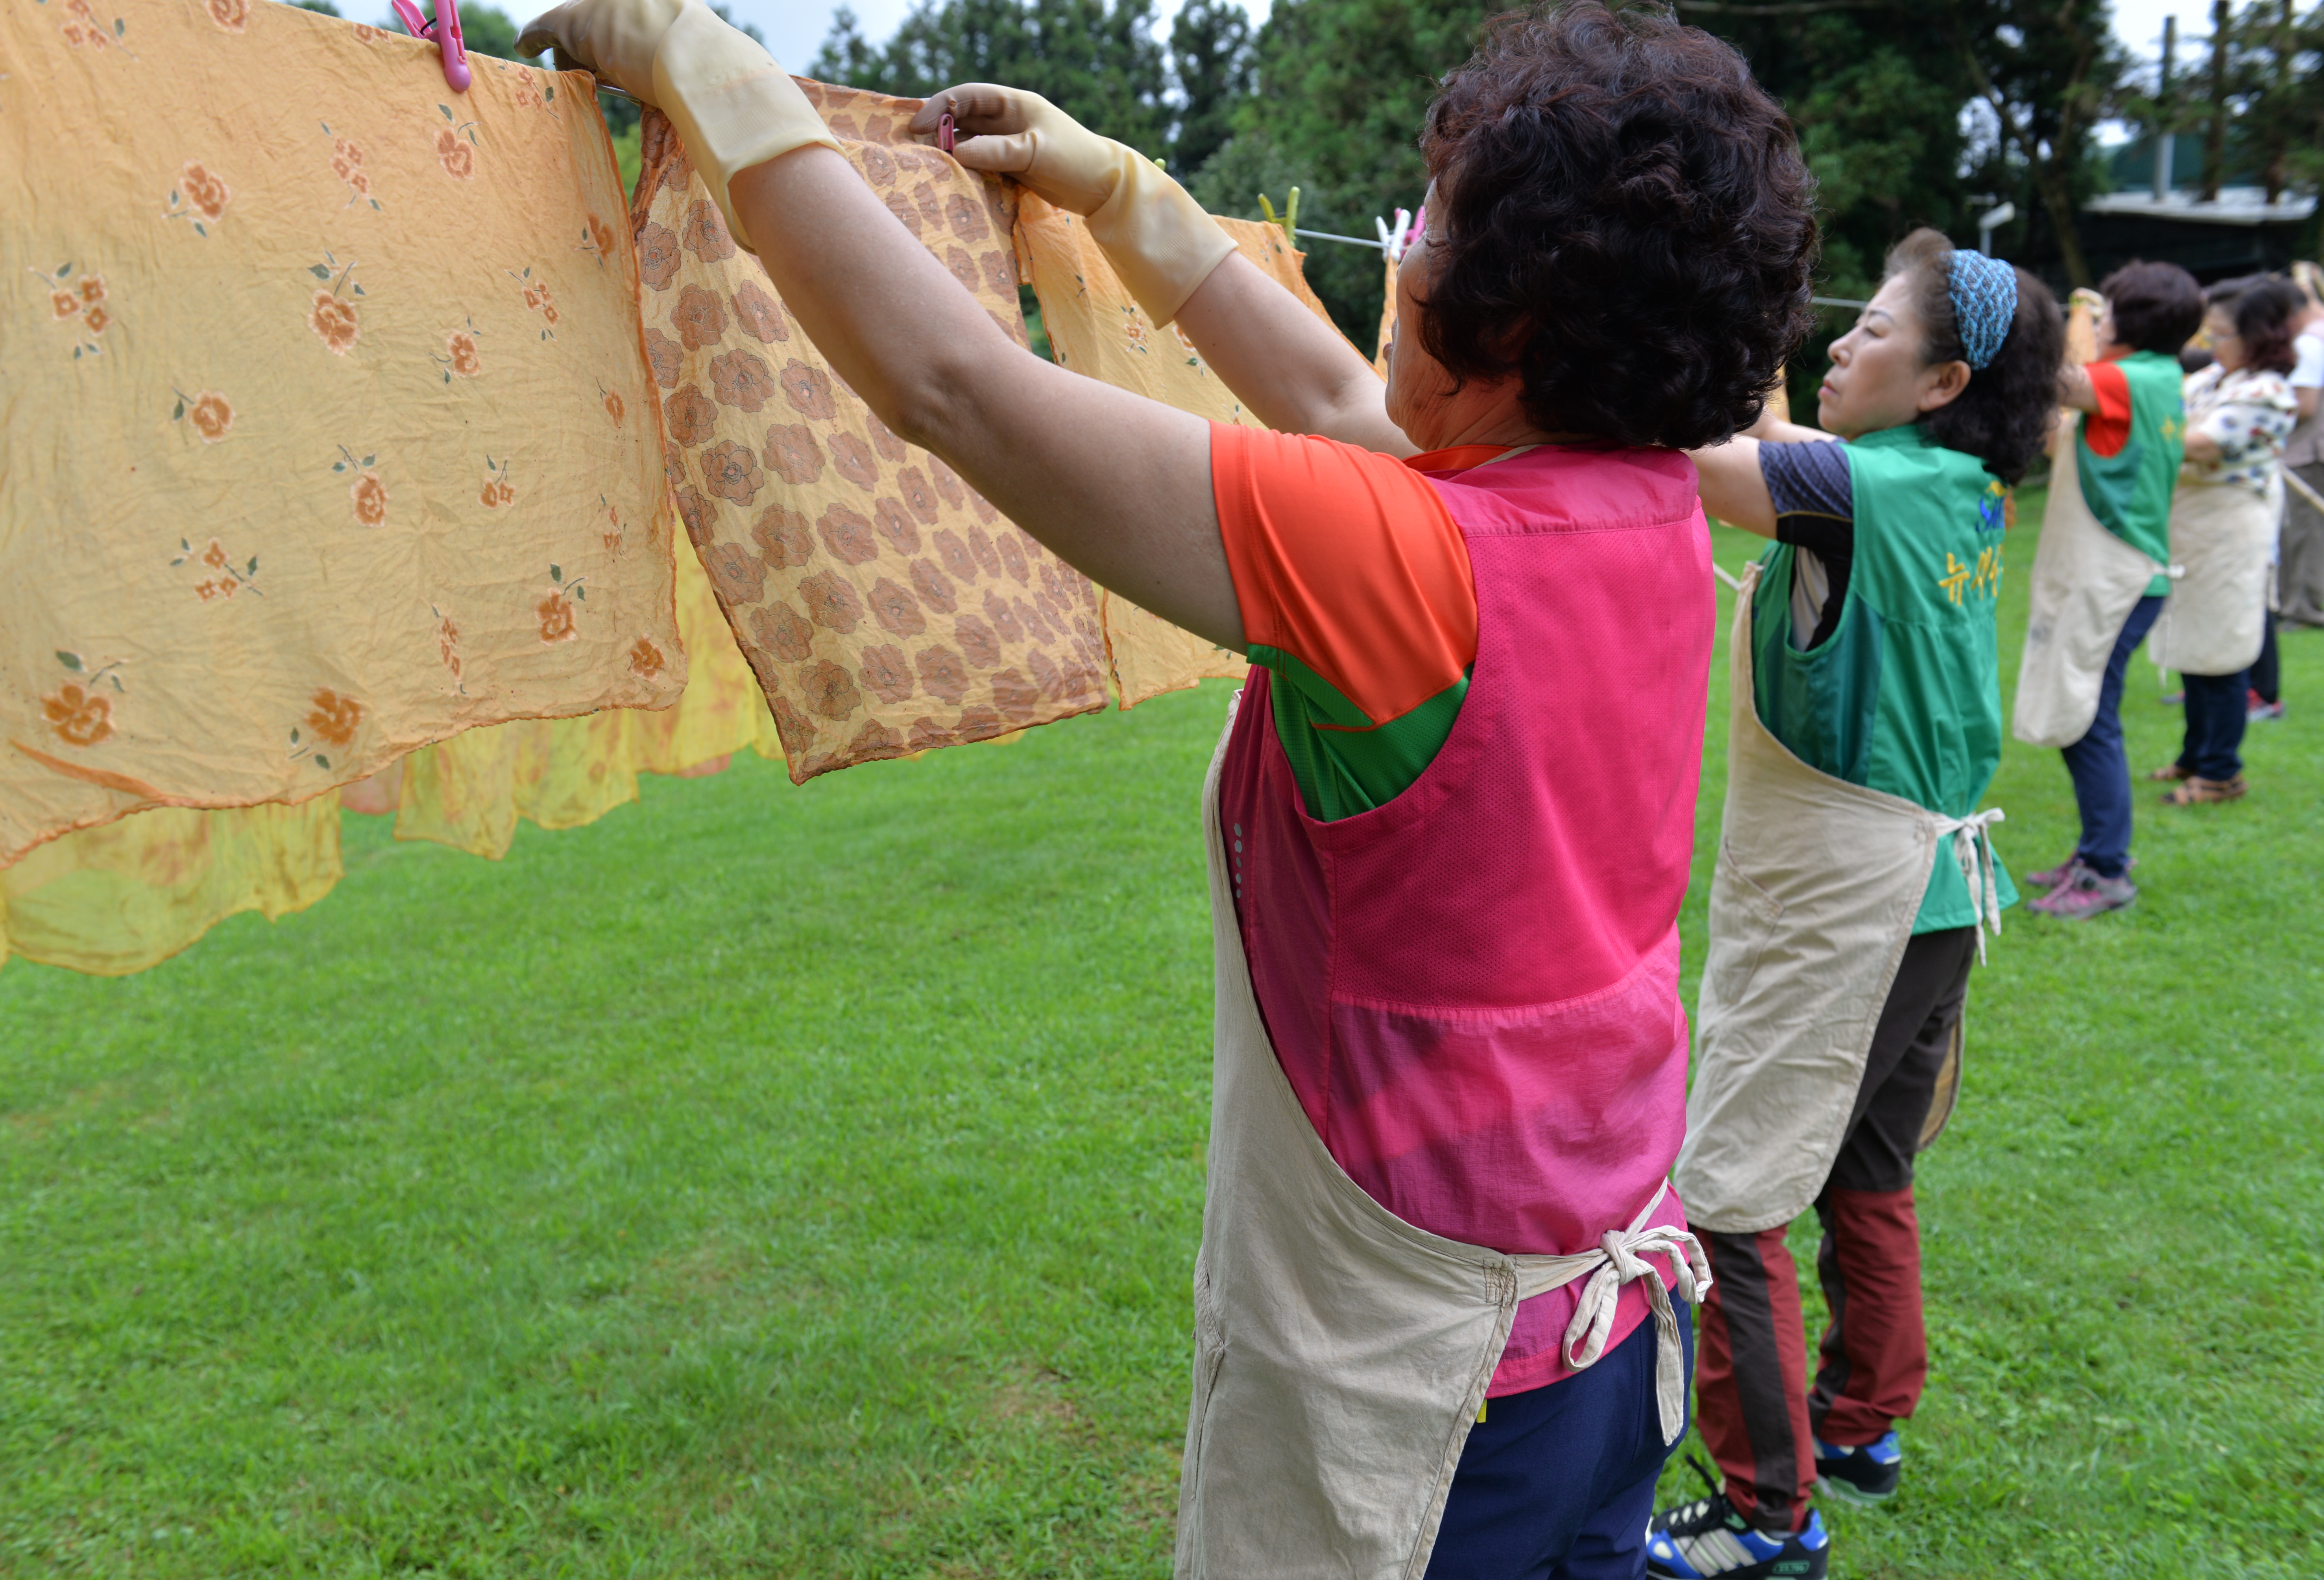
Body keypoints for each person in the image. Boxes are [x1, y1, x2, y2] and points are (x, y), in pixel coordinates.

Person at [509, 1, 1817, 1574]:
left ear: (1513, 316)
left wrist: (697, 61)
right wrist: (1120, 189)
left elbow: (953, 385)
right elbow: (1336, 405)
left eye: (1425, 229)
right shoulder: (1644, 505)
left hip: (1424, 1404)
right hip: (1609, 1336)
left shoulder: (1408, 565)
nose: (1398, 261)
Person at [1646, 233, 2062, 1580]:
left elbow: (1695, 459)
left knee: (1729, 1194)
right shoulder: (1956, 486)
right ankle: (1861, 1424)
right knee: (1867, 1170)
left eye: (1872, 329)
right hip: (1935, 897)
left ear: (1943, 381)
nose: (1838, 342)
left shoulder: (1854, 488)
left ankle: (1767, 1513)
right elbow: (1771, 444)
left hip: (1855, 900)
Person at [2014, 259, 2206, 920]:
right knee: (2087, 719)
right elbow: (2064, 434)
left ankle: (2106, 868)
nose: (2098, 322)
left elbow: (2048, 380)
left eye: (2107, 311)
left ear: (2129, 322)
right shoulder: (2157, 377)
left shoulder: (2131, 377)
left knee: (2091, 721)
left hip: (2118, 576)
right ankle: (2096, 853)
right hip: (2130, 576)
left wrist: (2011, 320)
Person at [2148, 277, 2301, 799]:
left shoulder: (2268, 392)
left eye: (2220, 334)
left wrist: (2136, 424)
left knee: (2223, 651)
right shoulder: (2215, 378)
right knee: (2192, 646)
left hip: (2231, 533)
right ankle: (2194, 755)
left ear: (2257, 336)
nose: (2210, 344)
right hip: (2192, 529)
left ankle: (2221, 770)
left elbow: (2201, 443)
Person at [2275, 270, 2324, 630]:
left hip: (2305, 450)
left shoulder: (2308, 344)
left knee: (2303, 534)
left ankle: (2304, 609)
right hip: (2310, 450)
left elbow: (2304, 406)